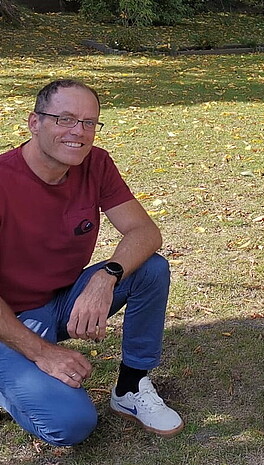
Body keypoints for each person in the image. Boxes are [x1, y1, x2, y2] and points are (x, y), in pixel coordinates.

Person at [0, 79, 183, 445]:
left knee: (150, 269)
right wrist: (42, 353)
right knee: (70, 423)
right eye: (65, 119)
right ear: (34, 122)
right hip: (8, 318)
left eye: (88, 122)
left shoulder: (95, 163)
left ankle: (130, 387)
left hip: (60, 302)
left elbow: (145, 232)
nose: (78, 132)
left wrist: (106, 277)